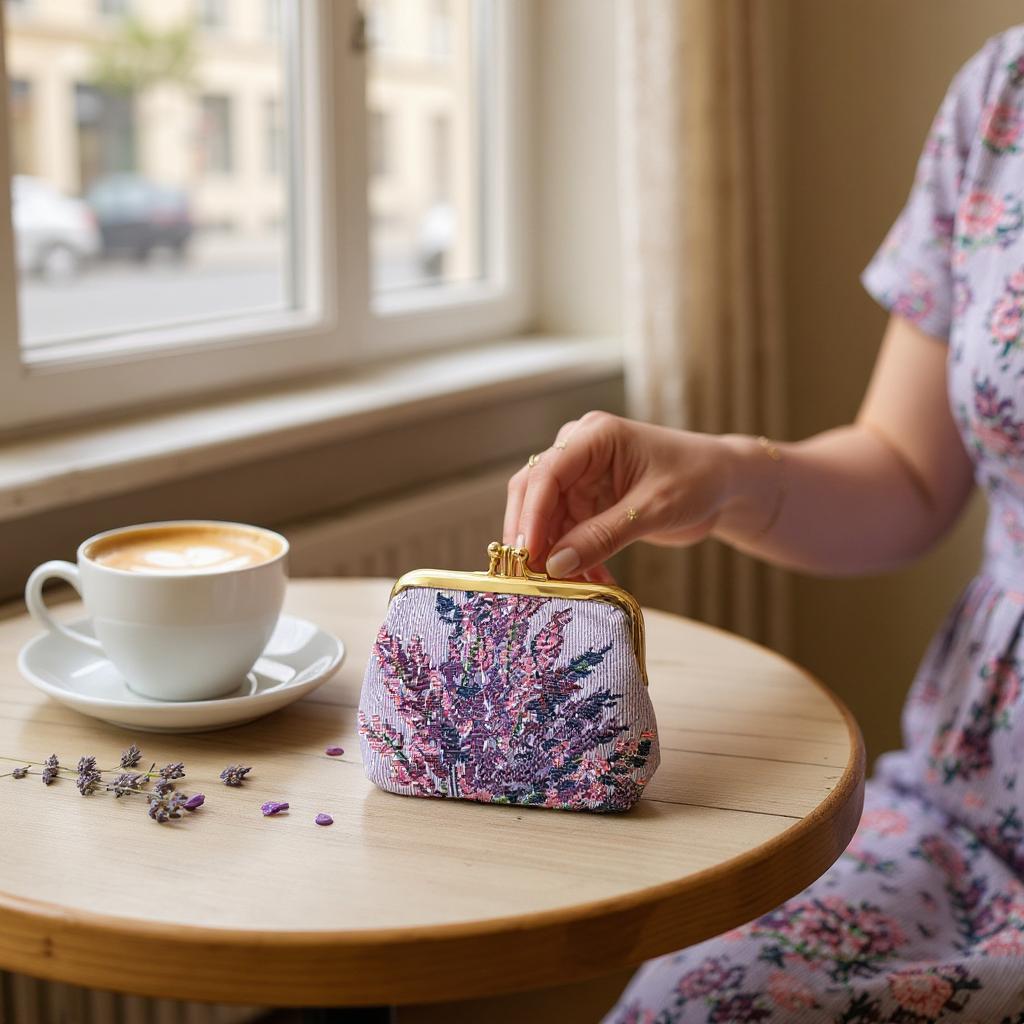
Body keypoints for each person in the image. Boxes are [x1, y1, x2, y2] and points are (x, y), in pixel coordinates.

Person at [503, 26, 1024, 1023]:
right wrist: (722, 473)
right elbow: (909, 475)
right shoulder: (999, 95)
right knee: (685, 1004)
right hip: (968, 810)